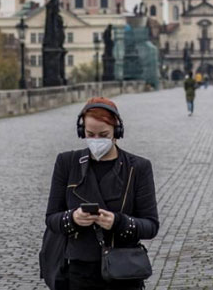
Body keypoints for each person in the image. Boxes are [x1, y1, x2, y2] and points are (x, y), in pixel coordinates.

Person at [43, 97, 159, 290]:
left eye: (103, 135)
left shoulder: (138, 167)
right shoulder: (66, 163)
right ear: (82, 132)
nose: (96, 141)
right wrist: (73, 218)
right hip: (79, 271)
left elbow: (151, 225)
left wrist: (118, 222)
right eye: (90, 134)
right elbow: (51, 218)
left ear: (117, 132)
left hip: (124, 271)